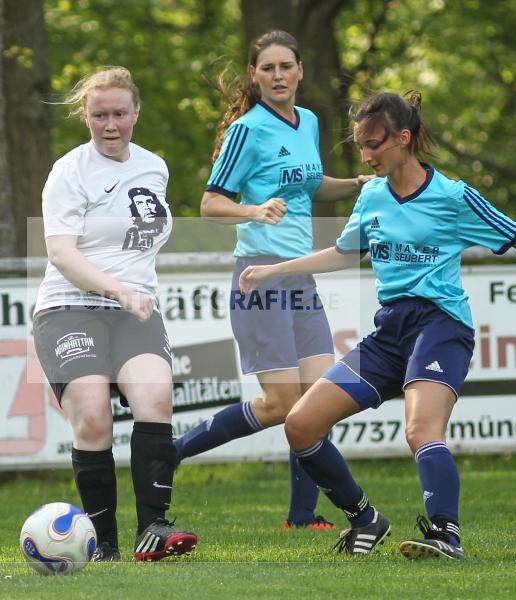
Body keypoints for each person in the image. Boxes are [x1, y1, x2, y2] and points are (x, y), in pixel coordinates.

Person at [238, 90, 516, 559]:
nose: (367, 155)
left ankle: (445, 535)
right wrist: (276, 268)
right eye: (361, 146)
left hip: (441, 326)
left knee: (420, 431)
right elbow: (345, 253)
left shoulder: (452, 196)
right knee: (300, 424)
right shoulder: (372, 194)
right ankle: (365, 519)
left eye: (375, 144)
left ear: (404, 138)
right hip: (389, 331)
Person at [172, 30, 372, 529]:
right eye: (268, 68)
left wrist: (353, 185)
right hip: (259, 279)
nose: (278, 75)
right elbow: (210, 204)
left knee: (316, 404)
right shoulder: (247, 129)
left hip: (299, 277)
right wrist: (254, 210)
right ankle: (171, 453)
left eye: (287, 66)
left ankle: (301, 517)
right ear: (255, 76)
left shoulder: (309, 122)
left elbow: (310, 183)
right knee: (281, 404)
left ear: (300, 71)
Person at [32, 67, 196, 563]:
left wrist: (130, 292)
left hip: (134, 309)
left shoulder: (154, 167)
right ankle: (102, 546)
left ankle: (155, 531)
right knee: (94, 417)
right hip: (69, 309)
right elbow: (61, 253)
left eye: (119, 114)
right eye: (99, 115)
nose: (110, 125)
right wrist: (116, 289)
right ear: (85, 116)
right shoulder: (69, 171)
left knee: (156, 396)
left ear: (135, 114)